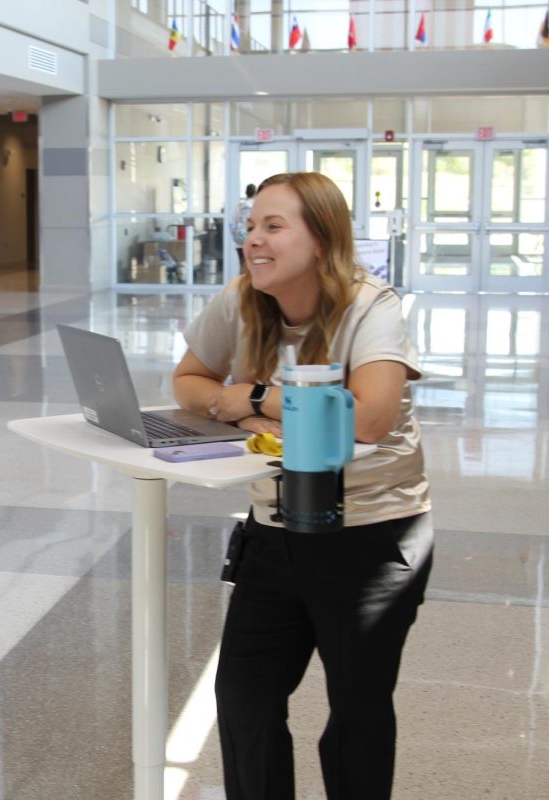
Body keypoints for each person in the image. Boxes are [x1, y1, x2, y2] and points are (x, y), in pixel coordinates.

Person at [173, 172, 432, 800]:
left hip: (370, 535)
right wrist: (248, 404)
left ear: (321, 239)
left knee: (357, 713)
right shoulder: (242, 299)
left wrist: (256, 397)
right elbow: (189, 379)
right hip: (275, 529)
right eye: (251, 225)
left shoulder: (371, 304)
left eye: (273, 225)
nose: (253, 240)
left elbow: (368, 417)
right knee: (243, 699)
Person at [229, 182, 256, 270]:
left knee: (242, 266)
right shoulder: (257, 206)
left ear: (246, 193)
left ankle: (241, 283)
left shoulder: (240, 206)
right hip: (253, 241)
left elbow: (233, 223)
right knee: (253, 266)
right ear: (255, 193)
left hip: (239, 242)